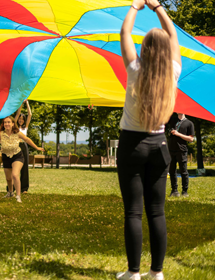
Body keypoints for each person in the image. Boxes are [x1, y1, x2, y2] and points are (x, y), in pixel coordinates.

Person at [117, 0, 181, 279]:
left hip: (132, 146)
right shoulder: (173, 73)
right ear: (166, 50)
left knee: (133, 212)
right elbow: (174, 36)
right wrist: (158, 7)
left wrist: (136, 5)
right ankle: (157, 274)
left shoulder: (135, 70)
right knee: (157, 212)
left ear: (144, 49)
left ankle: (133, 274)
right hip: (160, 147)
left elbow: (124, 33)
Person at [0, 116, 44, 203]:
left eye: (9, 122)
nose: (7, 124)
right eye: (5, 122)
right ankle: (10, 192)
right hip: (6, 157)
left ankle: (18, 196)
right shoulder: (0, 134)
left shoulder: (17, 133)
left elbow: (27, 140)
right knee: (8, 178)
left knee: (15, 175)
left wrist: (37, 148)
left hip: (17, 156)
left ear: (13, 124)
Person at [167, 112, 194, 197]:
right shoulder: (172, 119)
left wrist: (178, 134)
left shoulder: (189, 123)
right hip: (171, 149)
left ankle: (184, 191)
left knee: (184, 171)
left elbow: (191, 139)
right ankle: (174, 191)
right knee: (172, 171)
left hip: (182, 150)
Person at [14, 100, 32, 193]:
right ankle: (13, 187)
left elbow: (30, 114)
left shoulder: (25, 127)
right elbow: (17, 114)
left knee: (25, 167)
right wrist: (21, 102)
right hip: (16, 146)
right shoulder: (15, 126)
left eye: (22, 119)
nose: (21, 120)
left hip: (24, 146)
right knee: (15, 167)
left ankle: (24, 188)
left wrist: (27, 103)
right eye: (20, 119)